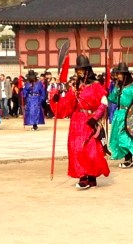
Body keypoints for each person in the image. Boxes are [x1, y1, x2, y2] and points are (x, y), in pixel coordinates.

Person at [50, 55, 110, 189]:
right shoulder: (75, 87)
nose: (80, 72)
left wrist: (95, 117)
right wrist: (57, 98)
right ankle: (83, 176)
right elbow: (67, 105)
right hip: (77, 123)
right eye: (78, 70)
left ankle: (92, 176)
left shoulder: (96, 86)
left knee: (91, 150)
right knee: (76, 148)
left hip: (90, 121)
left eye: (82, 69)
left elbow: (104, 102)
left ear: (88, 70)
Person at [108, 62, 133, 168]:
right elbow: (113, 99)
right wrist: (111, 93)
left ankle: (128, 159)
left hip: (129, 114)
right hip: (119, 114)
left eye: (120, 73)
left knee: (125, 137)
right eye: (117, 73)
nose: (118, 75)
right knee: (118, 136)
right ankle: (126, 158)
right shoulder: (118, 85)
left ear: (125, 74)